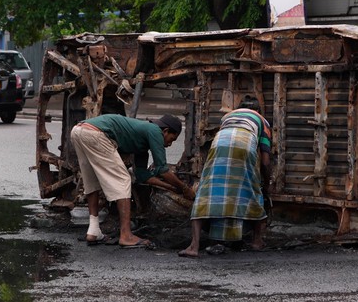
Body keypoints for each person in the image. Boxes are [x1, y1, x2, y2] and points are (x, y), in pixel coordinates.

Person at [70, 113, 183, 248]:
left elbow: (142, 175)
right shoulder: (155, 131)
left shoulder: (142, 142)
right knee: (123, 180)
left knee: (91, 181)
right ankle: (126, 236)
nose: (170, 144)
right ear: (165, 131)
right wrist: (184, 189)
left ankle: (93, 231)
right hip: (95, 134)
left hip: (78, 131)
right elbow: (162, 169)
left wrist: (171, 188)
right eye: (172, 139)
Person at [178, 96, 272, 258]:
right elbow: (265, 161)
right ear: (258, 111)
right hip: (244, 143)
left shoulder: (227, 117)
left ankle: (193, 246)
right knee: (252, 191)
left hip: (219, 144)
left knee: (206, 192)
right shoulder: (262, 121)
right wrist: (265, 183)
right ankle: (257, 242)